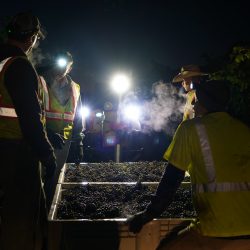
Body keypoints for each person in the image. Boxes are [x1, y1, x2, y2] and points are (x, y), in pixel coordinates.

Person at [127, 80, 250, 249]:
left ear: (205, 104)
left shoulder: (190, 129)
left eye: (197, 101)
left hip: (214, 228)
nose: (193, 105)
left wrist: (147, 216)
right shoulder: (243, 129)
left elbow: (171, 181)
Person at [0, 12, 56, 250]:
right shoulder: (20, 66)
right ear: (32, 38)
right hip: (17, 154)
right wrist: (47, 153)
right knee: (21, 221)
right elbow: (30, 120)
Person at [38, 51, 84, 210]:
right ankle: (36, 217)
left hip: (63, 144)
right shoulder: (41, 82)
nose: (62, 68)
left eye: (66, 66)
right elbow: (33, 111)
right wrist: (48, 133)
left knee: (54, 181)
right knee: (38, 180)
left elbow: (78, 117)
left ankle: (48, 217)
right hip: (42, 139)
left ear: (70, 68)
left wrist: (79, 142)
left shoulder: (75, 88)